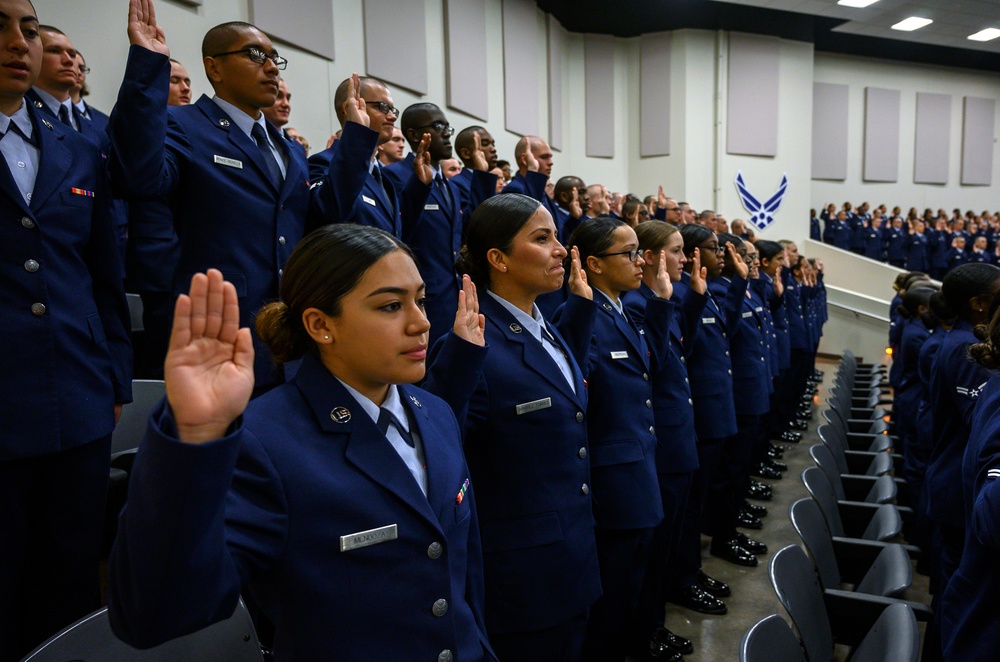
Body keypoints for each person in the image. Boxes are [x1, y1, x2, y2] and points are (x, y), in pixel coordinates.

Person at [109, 226, 495, 661]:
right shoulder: (266, 440)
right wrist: (193, 438)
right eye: (391, 306)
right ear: (320, 325)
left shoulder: (435, 412)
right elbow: (155, 614)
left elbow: (463, 583)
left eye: (420, 301)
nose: (422, 322)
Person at [0, 1, 132, 657]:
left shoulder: (77, 148)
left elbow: (103, 274)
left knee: (70, 584)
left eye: (27, 28)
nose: (17, 42)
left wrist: (112, 377)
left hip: (76, 404)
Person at [425, 194, 600, 660]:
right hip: (522, 577)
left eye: (556, 237)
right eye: (542, 239)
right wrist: (459, 361)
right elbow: (439, 447)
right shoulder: (471, 342)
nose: (561, 249)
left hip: (571, 557)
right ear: (498, 259)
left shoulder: (545, 327)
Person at [111, 0, 312, 391]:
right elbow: (138, 177)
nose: (271, 67)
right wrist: (147, 66)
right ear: (213, 66)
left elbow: (322, 219)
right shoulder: (183, 124)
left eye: (275, 58)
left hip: (287, 331)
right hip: (220, 326)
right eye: (256, 55)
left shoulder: (288, 148)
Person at [558, 217, 668, 661]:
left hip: (637, 468)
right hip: (612, 479)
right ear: (594, 264)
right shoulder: (583, 314)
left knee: (632, 584)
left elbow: (651, 368)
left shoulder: (624, 309)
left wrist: (662, 301)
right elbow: (575, 385)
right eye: (629, 253)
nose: (640, 261)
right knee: (614, 593)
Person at [627, 222, 706, 661]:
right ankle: (647, 630)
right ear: (654, 257)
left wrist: (690, 298)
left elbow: (683, 352)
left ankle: (654, 621)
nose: (684, 259)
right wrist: (665, 301)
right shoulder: (641, 306)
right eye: (676, 252)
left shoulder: (661, 301)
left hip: (678, 437)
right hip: (662, 444)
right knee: (654, 553)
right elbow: (653, 365)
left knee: (671, 540)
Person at [924, 262, 1000, 659]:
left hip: (962, 484)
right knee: (957, 600)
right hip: (960, 490)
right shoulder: (966, 350)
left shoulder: (965, 342)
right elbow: (979, 425)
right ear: (978, 304)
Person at [383, 102, 496, 349]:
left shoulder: (449, 185)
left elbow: (474, 228)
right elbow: (397, 233)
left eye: (447, 127)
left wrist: (482, 175)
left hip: (454, 296)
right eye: (438, 126)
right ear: (413, 135)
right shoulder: (396, 176)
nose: (446, 133)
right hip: (422, 299)